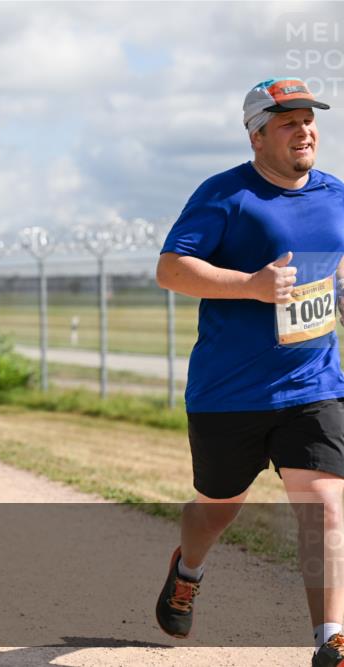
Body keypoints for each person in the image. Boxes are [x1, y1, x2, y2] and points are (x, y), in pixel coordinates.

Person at [155, 78, 344, 665]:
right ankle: (187, 568)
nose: (305, 131)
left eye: (309, 120)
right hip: (228, 391)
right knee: (218, 510)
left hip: (313, 383)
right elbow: (171, 268)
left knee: (326, 507)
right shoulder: (225, 195)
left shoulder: (337, 195)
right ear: (257, 135)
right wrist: (251, 287)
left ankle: (330, 639)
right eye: (288, 122)